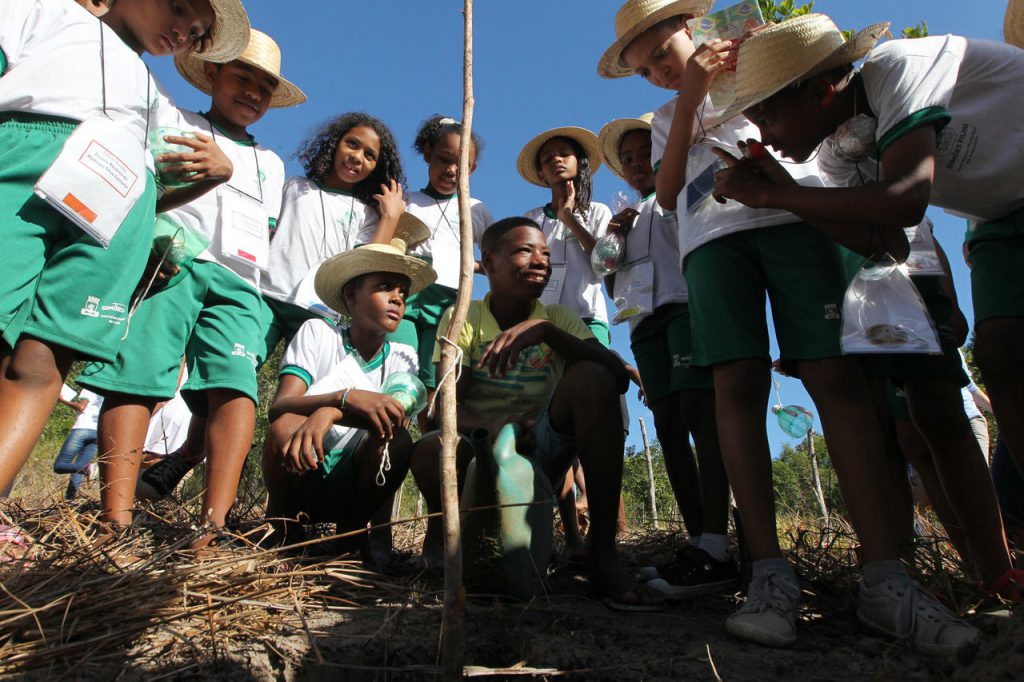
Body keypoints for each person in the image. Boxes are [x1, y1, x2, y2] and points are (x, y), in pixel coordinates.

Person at [599, 0, 979, 652]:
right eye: (645, 70)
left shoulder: (764, 62)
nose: (659, 72)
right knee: (735, 386)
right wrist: (686, 100)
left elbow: (819, 137)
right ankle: (769, 574)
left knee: (838, 379)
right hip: (712, 245)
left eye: (663, 54)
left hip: (801, 222)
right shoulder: (669, 116)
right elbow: (664, 197)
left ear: (693, 28)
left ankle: (885, 578)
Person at [711, 13, 1022, 600]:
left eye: (769, 115)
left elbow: (906, 201)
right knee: (1003, 354)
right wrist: (784, 188)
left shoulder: (898, 70)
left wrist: (774, 193)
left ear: (821, 86)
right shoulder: (837, 156)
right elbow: (886, 242)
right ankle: (997, 577)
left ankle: (998, 567)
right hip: (1000, 217)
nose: (766, 133)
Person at [0, 0, 249, 508]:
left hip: (112, 217)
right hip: (23, 162)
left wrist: (212, 177)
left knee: (44, 358)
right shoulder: (43, 11)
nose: (184, 31)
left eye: (198, 33)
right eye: (179, 8)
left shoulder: (156, 98)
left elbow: (150, 192)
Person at [77, 28, 300, 547]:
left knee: (235, 384)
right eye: (242, 78)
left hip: (242, 281)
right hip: (176, 261)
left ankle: (212, 526)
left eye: (264, 88)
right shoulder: (180, 122)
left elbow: (265, 229)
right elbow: (150, 186)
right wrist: (156, 242)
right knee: (139, 375)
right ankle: (117, 516)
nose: (252, 93)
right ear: (212, 74)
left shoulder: (271, 163)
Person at [410, 217, 662, 610]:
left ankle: (603, 554)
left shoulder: (557, 318)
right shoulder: (465, 319)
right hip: (478, 447)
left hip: (540, 446)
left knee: (593, 376)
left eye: (546, 254)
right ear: (489, 262)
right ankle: (445, 535)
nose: (541, 260)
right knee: (429, 449)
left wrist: (547, 332)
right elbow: (444, 405)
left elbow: (614, 376)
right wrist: (490, 428)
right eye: (526, 250)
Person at [597, 112, 732, 596]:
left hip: (684, 310)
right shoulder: (627, 219)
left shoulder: (682, 196)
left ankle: (720, 539)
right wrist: (613, 237)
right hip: (644, 325)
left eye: (644, 154)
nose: (637, 165)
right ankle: (700, 542)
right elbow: (612, 283)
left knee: (699, 410)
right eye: (628, 160)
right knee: (669, 422)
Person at [262, 237, 433, 549]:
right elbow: (281, 405)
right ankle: (286, 530)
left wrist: (331, 410)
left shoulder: (403, 356)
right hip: (304, 464)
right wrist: (342, 397)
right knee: (284, 427)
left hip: (357, 474)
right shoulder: (318, 333)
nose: (397, 299)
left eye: (403, 294)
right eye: (385, 287)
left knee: (398, 441)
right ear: (352, 294)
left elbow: (392, 421)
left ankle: (350, 535)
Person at [260, 113, 410, 356]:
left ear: (377, 168)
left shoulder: (366, 214)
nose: (357, 156)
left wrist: (390, 217)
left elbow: (368, 266)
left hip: (319, 310)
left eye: (369, 155)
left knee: (304, 383)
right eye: (352, 143)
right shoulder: (295, 186)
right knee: (240, 369)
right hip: (268, 294)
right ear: (334, 143)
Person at [394, 115, 494, 426]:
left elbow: (494, 260)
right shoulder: (408, 201)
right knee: (400, 371)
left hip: (449, 305)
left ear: (472, 169)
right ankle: (393, 438)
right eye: (444, 159)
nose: (451, 170)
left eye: (461, 164)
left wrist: (467, 265)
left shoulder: (475, 209)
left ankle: (429, 445)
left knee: (433, 379)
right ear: (427, 155)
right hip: (407, 296)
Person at [52, 388, 103, 500]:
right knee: (78, 470)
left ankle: (89, 468)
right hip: (97, 433)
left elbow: (81, 407)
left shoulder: (88, 389)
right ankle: (70, 499)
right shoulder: (105, 392)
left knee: (59, 465)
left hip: (82, 430)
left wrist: (61, 400)